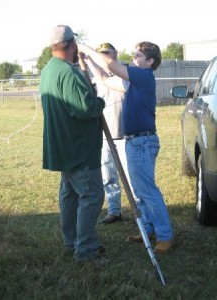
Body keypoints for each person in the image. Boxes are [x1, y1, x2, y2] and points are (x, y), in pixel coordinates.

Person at [78, 41, 174, 254]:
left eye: (138, 55)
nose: (133, 58)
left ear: (149, 61)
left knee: (147, 191)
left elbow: (111, 64)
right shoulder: (133, 82)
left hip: (142, 142)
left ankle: (165, 235)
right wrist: (89, 63)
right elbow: (104, 79)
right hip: (134, 141)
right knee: (139, 191)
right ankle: (148, 229)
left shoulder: (143, 76)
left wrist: (86, 49)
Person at [40, 25, 109, 266]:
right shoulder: (67, 73)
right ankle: (86, 250)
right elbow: (84, 108)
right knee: (92, 194)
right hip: (77, 148)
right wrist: (99, 100)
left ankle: (71, 242)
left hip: (63, 146)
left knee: (69, 194)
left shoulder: (49, 70)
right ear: (71, 45)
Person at [84, 42, 132, 224]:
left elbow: (106, 76)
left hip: (126, 134)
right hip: (105, 134)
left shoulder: (126, 74)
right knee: (108, 176)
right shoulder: (97, 77)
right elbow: (98, 77)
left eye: (108, 53)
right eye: (102, 54)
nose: (105, 56)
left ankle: (140, 211)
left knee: (131, 177)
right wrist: (87, 60)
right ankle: (114, 210)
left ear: (115, 53)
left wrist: (89, 58)